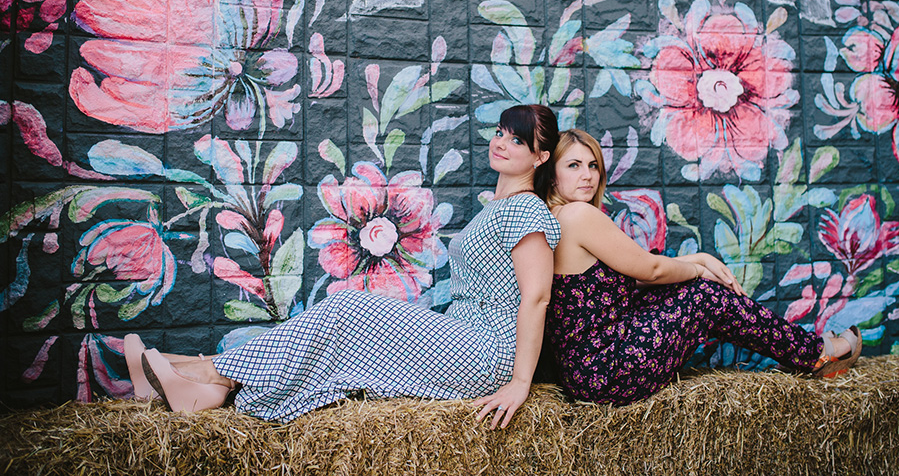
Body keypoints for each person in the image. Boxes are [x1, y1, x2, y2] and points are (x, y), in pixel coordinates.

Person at [125, 105, 561, 429]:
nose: (501, 142)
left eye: (517, 141)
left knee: (346, 309)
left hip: (489, 352)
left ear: (540, 157)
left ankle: (209, 375)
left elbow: (537, 297)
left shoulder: (526, 209)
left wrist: (520, 382)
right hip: (464, 337)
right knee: (345, 326)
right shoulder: (495, 208)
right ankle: (191, 374)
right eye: (501, 132)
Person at [541, 129, 861, 405]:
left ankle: (808, 351)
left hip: (588, 371)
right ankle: (816, 354)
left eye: (593, 165)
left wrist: (699, 260)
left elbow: (628, 277)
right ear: (552, 174)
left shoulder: (556, 217)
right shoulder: (578, 215)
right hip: (606, 371)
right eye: (573, 165)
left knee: (691, 290)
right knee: (705, 296)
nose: (587, 175)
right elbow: (650, 271)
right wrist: (698, 269)